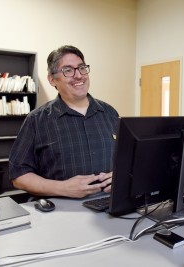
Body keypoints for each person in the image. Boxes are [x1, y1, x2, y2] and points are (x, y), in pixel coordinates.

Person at [9, 45, 119, 198]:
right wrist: (62, 188)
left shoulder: (110, 113)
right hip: (60, 211)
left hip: (109, 206)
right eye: (68, 70)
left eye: (81, 68)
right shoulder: (36, 121)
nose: (79, 76)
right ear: (52, 79)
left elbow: (127, 160)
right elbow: (18, 175)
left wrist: (121, 176)